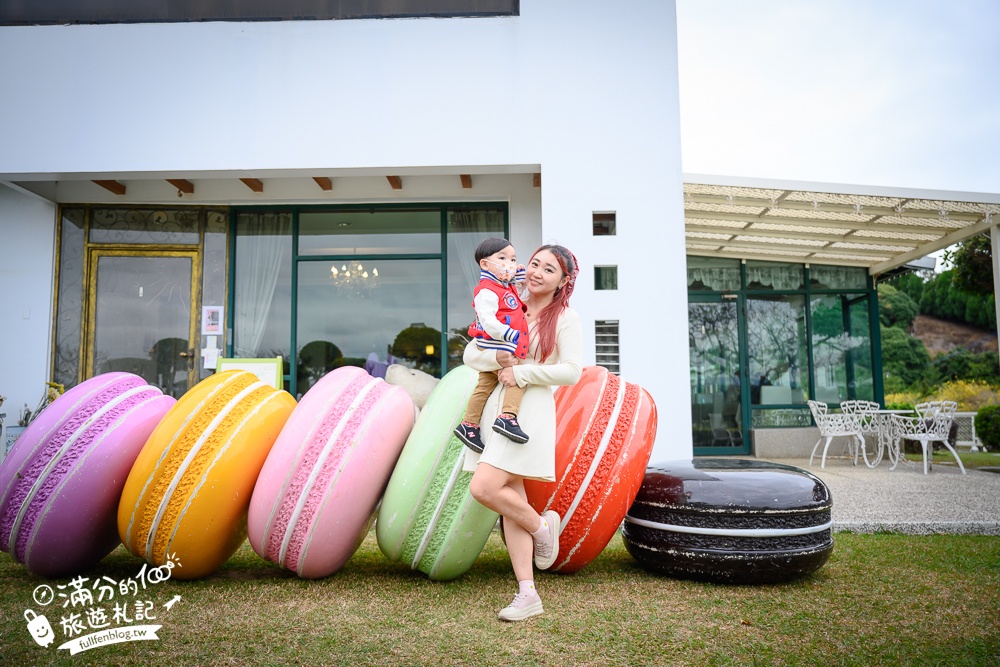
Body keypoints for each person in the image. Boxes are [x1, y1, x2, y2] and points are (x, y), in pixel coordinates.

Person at [463, 244, 583, 622]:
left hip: (527, 413)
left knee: (484, 487)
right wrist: (497, 358)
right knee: (509, 498)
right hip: (497, 409)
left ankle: (542, 526)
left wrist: (523, 371)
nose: (536, 272)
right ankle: (527, 593)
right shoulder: (506, 300)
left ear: (563, 281)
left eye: (549, 270)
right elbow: (471, 353)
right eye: (534, 264)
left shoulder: (565, 318)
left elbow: (571, 371)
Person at [454, 237, 531, 453]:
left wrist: (521, 280)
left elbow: (514, 300)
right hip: (498, 345)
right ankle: (507, 417)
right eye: (503, 257)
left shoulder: (503, 287)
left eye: (513, 258)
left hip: (496, 346)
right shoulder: (487, 290)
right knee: (518, 379)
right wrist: (508, 334)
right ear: (485, 264)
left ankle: (468, 425)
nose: (510, 263)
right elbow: (488, 320)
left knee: (484, 385)